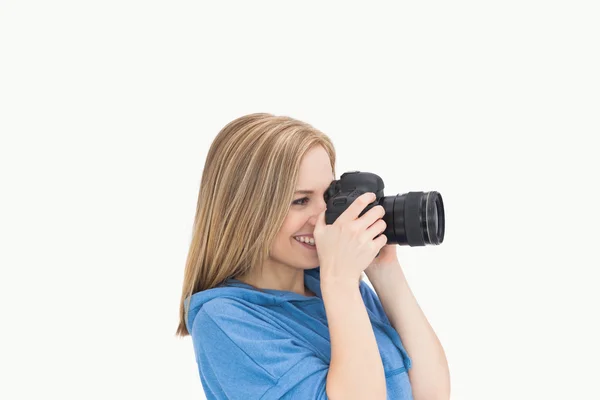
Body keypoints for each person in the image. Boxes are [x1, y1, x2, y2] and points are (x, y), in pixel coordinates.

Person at [175, 113, 450, 400]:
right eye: (300, 201)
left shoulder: (332, 288)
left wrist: (385, 269)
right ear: (247, 211)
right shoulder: (225, 319)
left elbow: (431, 395)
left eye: (328, 197)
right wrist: (340, 282)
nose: (324, 218)